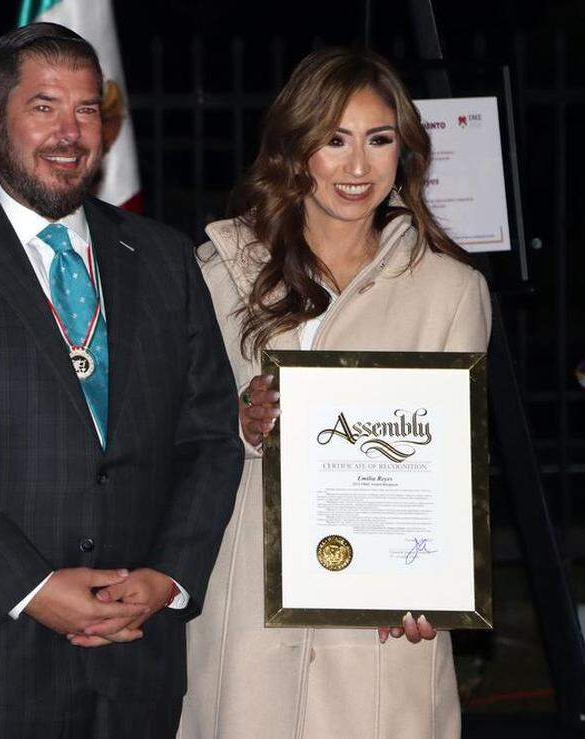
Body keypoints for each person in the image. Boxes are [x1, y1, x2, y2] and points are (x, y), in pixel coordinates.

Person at [0, 22, 244, 739]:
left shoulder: (163, 259)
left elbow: (212, 437)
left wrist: (167, 577)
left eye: (87, 109)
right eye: (45, 106)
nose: (70, 132)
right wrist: (31, 587)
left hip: (132, 667)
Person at [179, 47, 491, 738]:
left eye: (379, 140)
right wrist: (242, 422)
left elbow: (451, 471)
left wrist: (437, 587)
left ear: (403, 152)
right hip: (247, 608)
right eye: (335, 140)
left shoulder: (450, 290)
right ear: (296, 150)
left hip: (378, 627)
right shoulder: (220, 270)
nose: (358, 167)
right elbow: (177, 431)